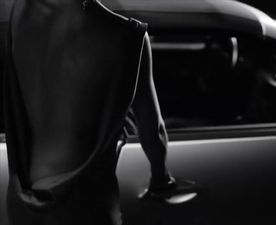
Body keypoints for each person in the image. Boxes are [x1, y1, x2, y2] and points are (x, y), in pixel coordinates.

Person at [3, 0, 195, 224]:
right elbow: (154, 130)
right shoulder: (127, 36)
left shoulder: (18, 16)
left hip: (25, 205)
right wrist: (161, 179)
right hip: (85, 207)